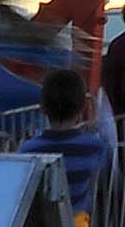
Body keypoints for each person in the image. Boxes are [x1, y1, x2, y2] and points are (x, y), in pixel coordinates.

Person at [22, 67, 110, 216]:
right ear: (82, 107)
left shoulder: (28, 150)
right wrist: (94, 127)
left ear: (42, 107)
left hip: (41, 225)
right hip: (76, 226)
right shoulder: (94, 148)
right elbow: (105, 174)